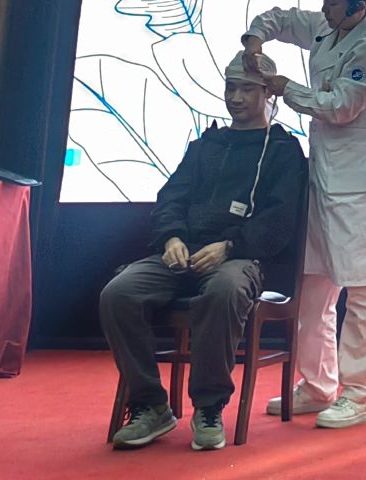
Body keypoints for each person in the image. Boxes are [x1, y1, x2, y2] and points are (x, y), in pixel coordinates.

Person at [102, 49, 307, 451]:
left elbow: (280, 220)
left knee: (225, 290)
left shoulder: (283, 151)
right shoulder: (204, 146)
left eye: (247, 89)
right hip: (182, 252)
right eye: (231, 87)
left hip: (241, 257)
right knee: (118, 293)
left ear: (268, 94)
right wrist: (171, 238)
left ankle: (209, 407)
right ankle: (149, 404)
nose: (235, 97)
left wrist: (230, 246)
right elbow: (171, 198)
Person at [242, 0, 366, 432]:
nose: (324, 9)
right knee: (313, 289)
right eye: (324, 0)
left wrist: (283, 87)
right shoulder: (328, 25)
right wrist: (255, 39)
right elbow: (283, 18)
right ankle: (317, 383)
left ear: (358, 6)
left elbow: (339, 107)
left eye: (332, 3)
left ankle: (359, 394)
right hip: (323, 180)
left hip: (362, 187)